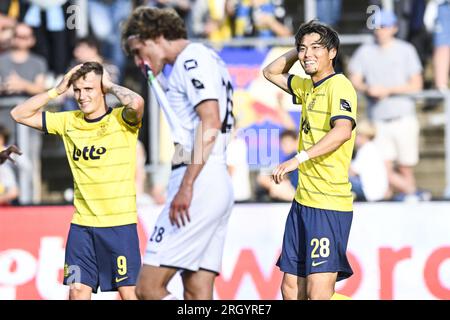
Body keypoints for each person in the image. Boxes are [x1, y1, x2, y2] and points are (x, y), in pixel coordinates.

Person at [122, 7, 234, 300]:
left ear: (155, 36)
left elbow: (211, 121)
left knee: (147, 288)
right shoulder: (207, 59)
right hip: (213, 175)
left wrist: (187, 185)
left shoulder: (191, 59)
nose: (138, 61)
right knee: (197, 292)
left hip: (197, 179)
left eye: (138, 51)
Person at [10, 61, 145, 300]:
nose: (82, 96)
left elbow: (136, 103)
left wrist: (110, 85)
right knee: (76, 291)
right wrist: (57, 90)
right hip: (82, 227)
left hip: (119, 225)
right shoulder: (68, 121)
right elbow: (18, 114)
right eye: (78, 90)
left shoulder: (121, 120)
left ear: (101, 89)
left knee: (129, 294)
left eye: (89, 89)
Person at [263, 20, 357, 300]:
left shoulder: (339, 86)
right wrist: (299, 50)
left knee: (319, 293)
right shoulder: (307, 87)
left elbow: (342, 131)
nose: (308, 55)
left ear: (333, 53)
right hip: (303, 203)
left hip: (328, 204)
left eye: (317, 48)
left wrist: (298, 158)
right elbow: (270, 71)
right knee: (290, 289)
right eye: (303, 49)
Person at [348, 10, 424, 201]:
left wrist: (386, 90)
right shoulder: (365, 51)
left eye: (383, 26)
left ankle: (413, 195)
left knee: (405, 167)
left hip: (403, 117)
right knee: (384, 169)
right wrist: (368, 88)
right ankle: (413, 194)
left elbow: (416, 84)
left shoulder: (405, 50)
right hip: (378, 121)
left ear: (394, 28)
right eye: (377, 27)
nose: (379, 31)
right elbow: (354, 79)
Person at [349, 120, 389, 202]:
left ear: (363, 136)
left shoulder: (365, 150)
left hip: (369, 192)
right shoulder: (372, 148)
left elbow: (352, 172)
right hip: (377, 192)